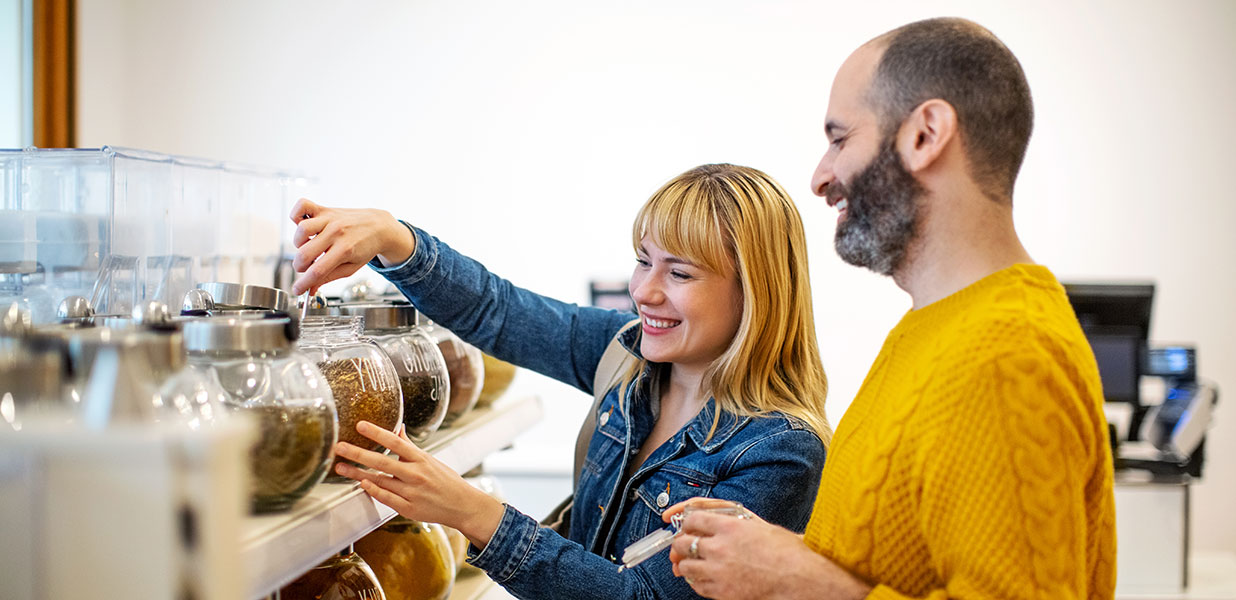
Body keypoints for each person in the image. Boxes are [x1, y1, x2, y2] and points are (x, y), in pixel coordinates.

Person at [664, 17, 1116, 600]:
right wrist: (776, 554)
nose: (821, 177)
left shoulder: (1006, 357)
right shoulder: (934, 327)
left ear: (925, 134)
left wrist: (803, 584)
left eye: (840, 138)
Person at [288, 163, 831, 600]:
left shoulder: (781, 453)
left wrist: (469, 511)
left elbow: (640, 597)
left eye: (680, 273)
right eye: (643, 262)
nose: (645, 291)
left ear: (756, 292)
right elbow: (498, 311)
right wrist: (395, 240)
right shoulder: (627, 355)